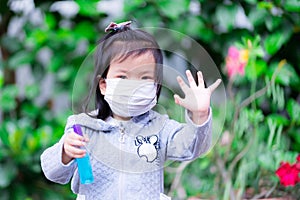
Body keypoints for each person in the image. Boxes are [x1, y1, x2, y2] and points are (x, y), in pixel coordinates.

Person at [40, 21, 221, 200]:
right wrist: (65, 151)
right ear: (103, 84)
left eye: (144, 77)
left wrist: (200, 115)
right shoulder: (83, 127)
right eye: (123, 76)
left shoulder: (160, 127)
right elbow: (54, 173)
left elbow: (191, 147)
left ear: (155, 85)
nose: (133, 86)